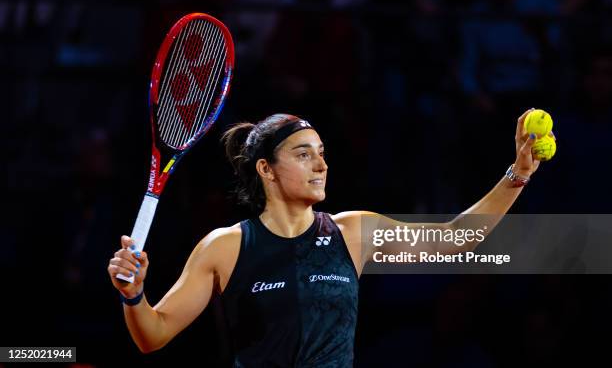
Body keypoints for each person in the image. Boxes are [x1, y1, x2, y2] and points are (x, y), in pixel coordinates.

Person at [107, 110, 545, 366]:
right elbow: (154, 335)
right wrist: (134, 295)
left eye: (322, 154)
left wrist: (518, 174)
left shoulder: (351, 231)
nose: (320, 165)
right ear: (266, 169)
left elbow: (457, 238)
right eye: (303, 155)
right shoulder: (226, 246)